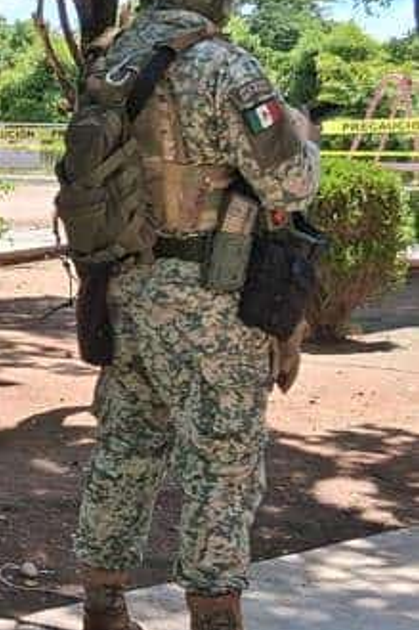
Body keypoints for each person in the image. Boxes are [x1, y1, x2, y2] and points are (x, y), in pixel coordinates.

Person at [70, 1, 320, 629]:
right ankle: (214, 617)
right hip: (210, 302)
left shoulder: (113, 64)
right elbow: (290, 183)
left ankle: (103, 606)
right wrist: (304, 136)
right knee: (223, 463)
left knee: (124, 451)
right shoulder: (224, 67)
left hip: (124, 289)